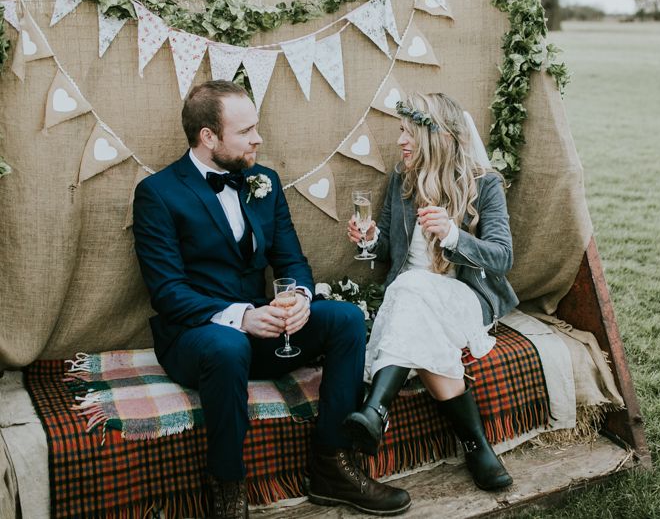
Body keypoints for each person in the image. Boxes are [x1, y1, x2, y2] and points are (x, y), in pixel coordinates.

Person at [133, 80, 411, 519]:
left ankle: (332, 466)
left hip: (263, 330)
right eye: (246, 131)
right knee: (228, 345)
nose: (258, 138)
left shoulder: (264, 181)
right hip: (196, 338)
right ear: (208, 137)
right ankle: (227, 488)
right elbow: (167, 292)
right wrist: (241, 317)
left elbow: (291, 259)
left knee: (343, 320)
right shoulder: (158, 194)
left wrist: (298, 297)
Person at [344, 92, 519, 491]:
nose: (401, 141)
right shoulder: (400, 179)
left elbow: (502, 257)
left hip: (462, 299)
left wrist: (454, 235)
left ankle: (376, 409)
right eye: (400, 132)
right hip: (410, 300)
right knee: (410, 290)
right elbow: (389, 245)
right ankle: (476, 444)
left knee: (410, 286)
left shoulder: (484, 184)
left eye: (409, 133)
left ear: (435, 136)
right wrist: (370, 240)